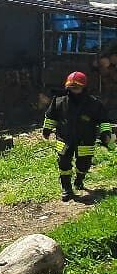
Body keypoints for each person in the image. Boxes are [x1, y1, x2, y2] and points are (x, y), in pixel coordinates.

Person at [43, 71, 113, 201]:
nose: (74, 89)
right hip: (64, 139)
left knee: (83, 163)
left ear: (83, 87)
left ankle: (79, 179)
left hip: (85, 140)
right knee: (63, 163)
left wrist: (105, 133)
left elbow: (104, 120)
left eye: (77, 87)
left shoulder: (94, 104)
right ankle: (66, 188)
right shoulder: (59, 101)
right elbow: (51, 116)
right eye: (71, 87)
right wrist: (47, 129)